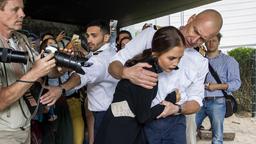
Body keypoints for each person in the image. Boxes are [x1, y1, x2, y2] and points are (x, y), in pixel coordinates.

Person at [108, 9, 223, 144]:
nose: (194, 40)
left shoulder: (201, 61)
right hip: (143, 120)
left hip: (175, 123)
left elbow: (196, 101)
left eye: (202, 39)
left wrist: (178, 108)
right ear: (191, 19)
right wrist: (125, 72)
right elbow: (113, 64)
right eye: (195, 31)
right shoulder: (152, 35)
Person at [95, 26, 186, 144]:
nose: (176, 63)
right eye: (171, 58)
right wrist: (171, 99)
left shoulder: (142, 64)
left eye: (179, 58)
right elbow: (143, 117)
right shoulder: (147, 74)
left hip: (112, 126)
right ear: (155, 53)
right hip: (121, 133)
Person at [0, 0, 56, 143]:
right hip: (4, 132)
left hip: (25, 124)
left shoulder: (21, 39)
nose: (23, 14)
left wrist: (60, 67)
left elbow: (42, 70)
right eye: (15, 9)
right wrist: (35, 72)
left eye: (22, 9)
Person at [195, 33, 241, 144]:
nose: (210, 43)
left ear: (219, 42)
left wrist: (217, 86)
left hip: (218, 102)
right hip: (197, 101)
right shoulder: (198, 59)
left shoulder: (229, 61)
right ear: (205, 42)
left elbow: (236, 83)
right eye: (208, 40)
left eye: (214, 40)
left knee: (217, 137)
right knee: (188, 131)